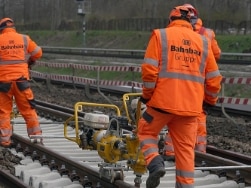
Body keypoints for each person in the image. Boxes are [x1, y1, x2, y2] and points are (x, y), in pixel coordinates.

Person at [137, 5, 222, 188]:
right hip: (191, 110)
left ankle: (155, 163)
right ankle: (186, 185)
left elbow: (149, 72)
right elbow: (214, 80)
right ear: (190, 22)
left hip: (161, 105)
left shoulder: (160, 36)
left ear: (171, 20)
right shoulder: (203, 42)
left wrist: (147, 96)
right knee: (185, 152)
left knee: (146, 132)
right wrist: (209, 101)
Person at [163, 3, 222, 160]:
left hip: (177, 83)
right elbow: (216, 56)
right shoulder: (206, 34)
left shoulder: (172, 33)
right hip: (199, 83)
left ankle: (170, 153)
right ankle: (200, 154)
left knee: (175, 117)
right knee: (198, 118)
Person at [0, 17, 43, 148]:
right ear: (13, 28)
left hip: (3, 83)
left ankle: (4, 140)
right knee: (28, 110)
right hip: (22, 82)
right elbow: (38, 53)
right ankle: (36, 137)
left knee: (3, 112)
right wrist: (28, 61)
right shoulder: (24, 38)